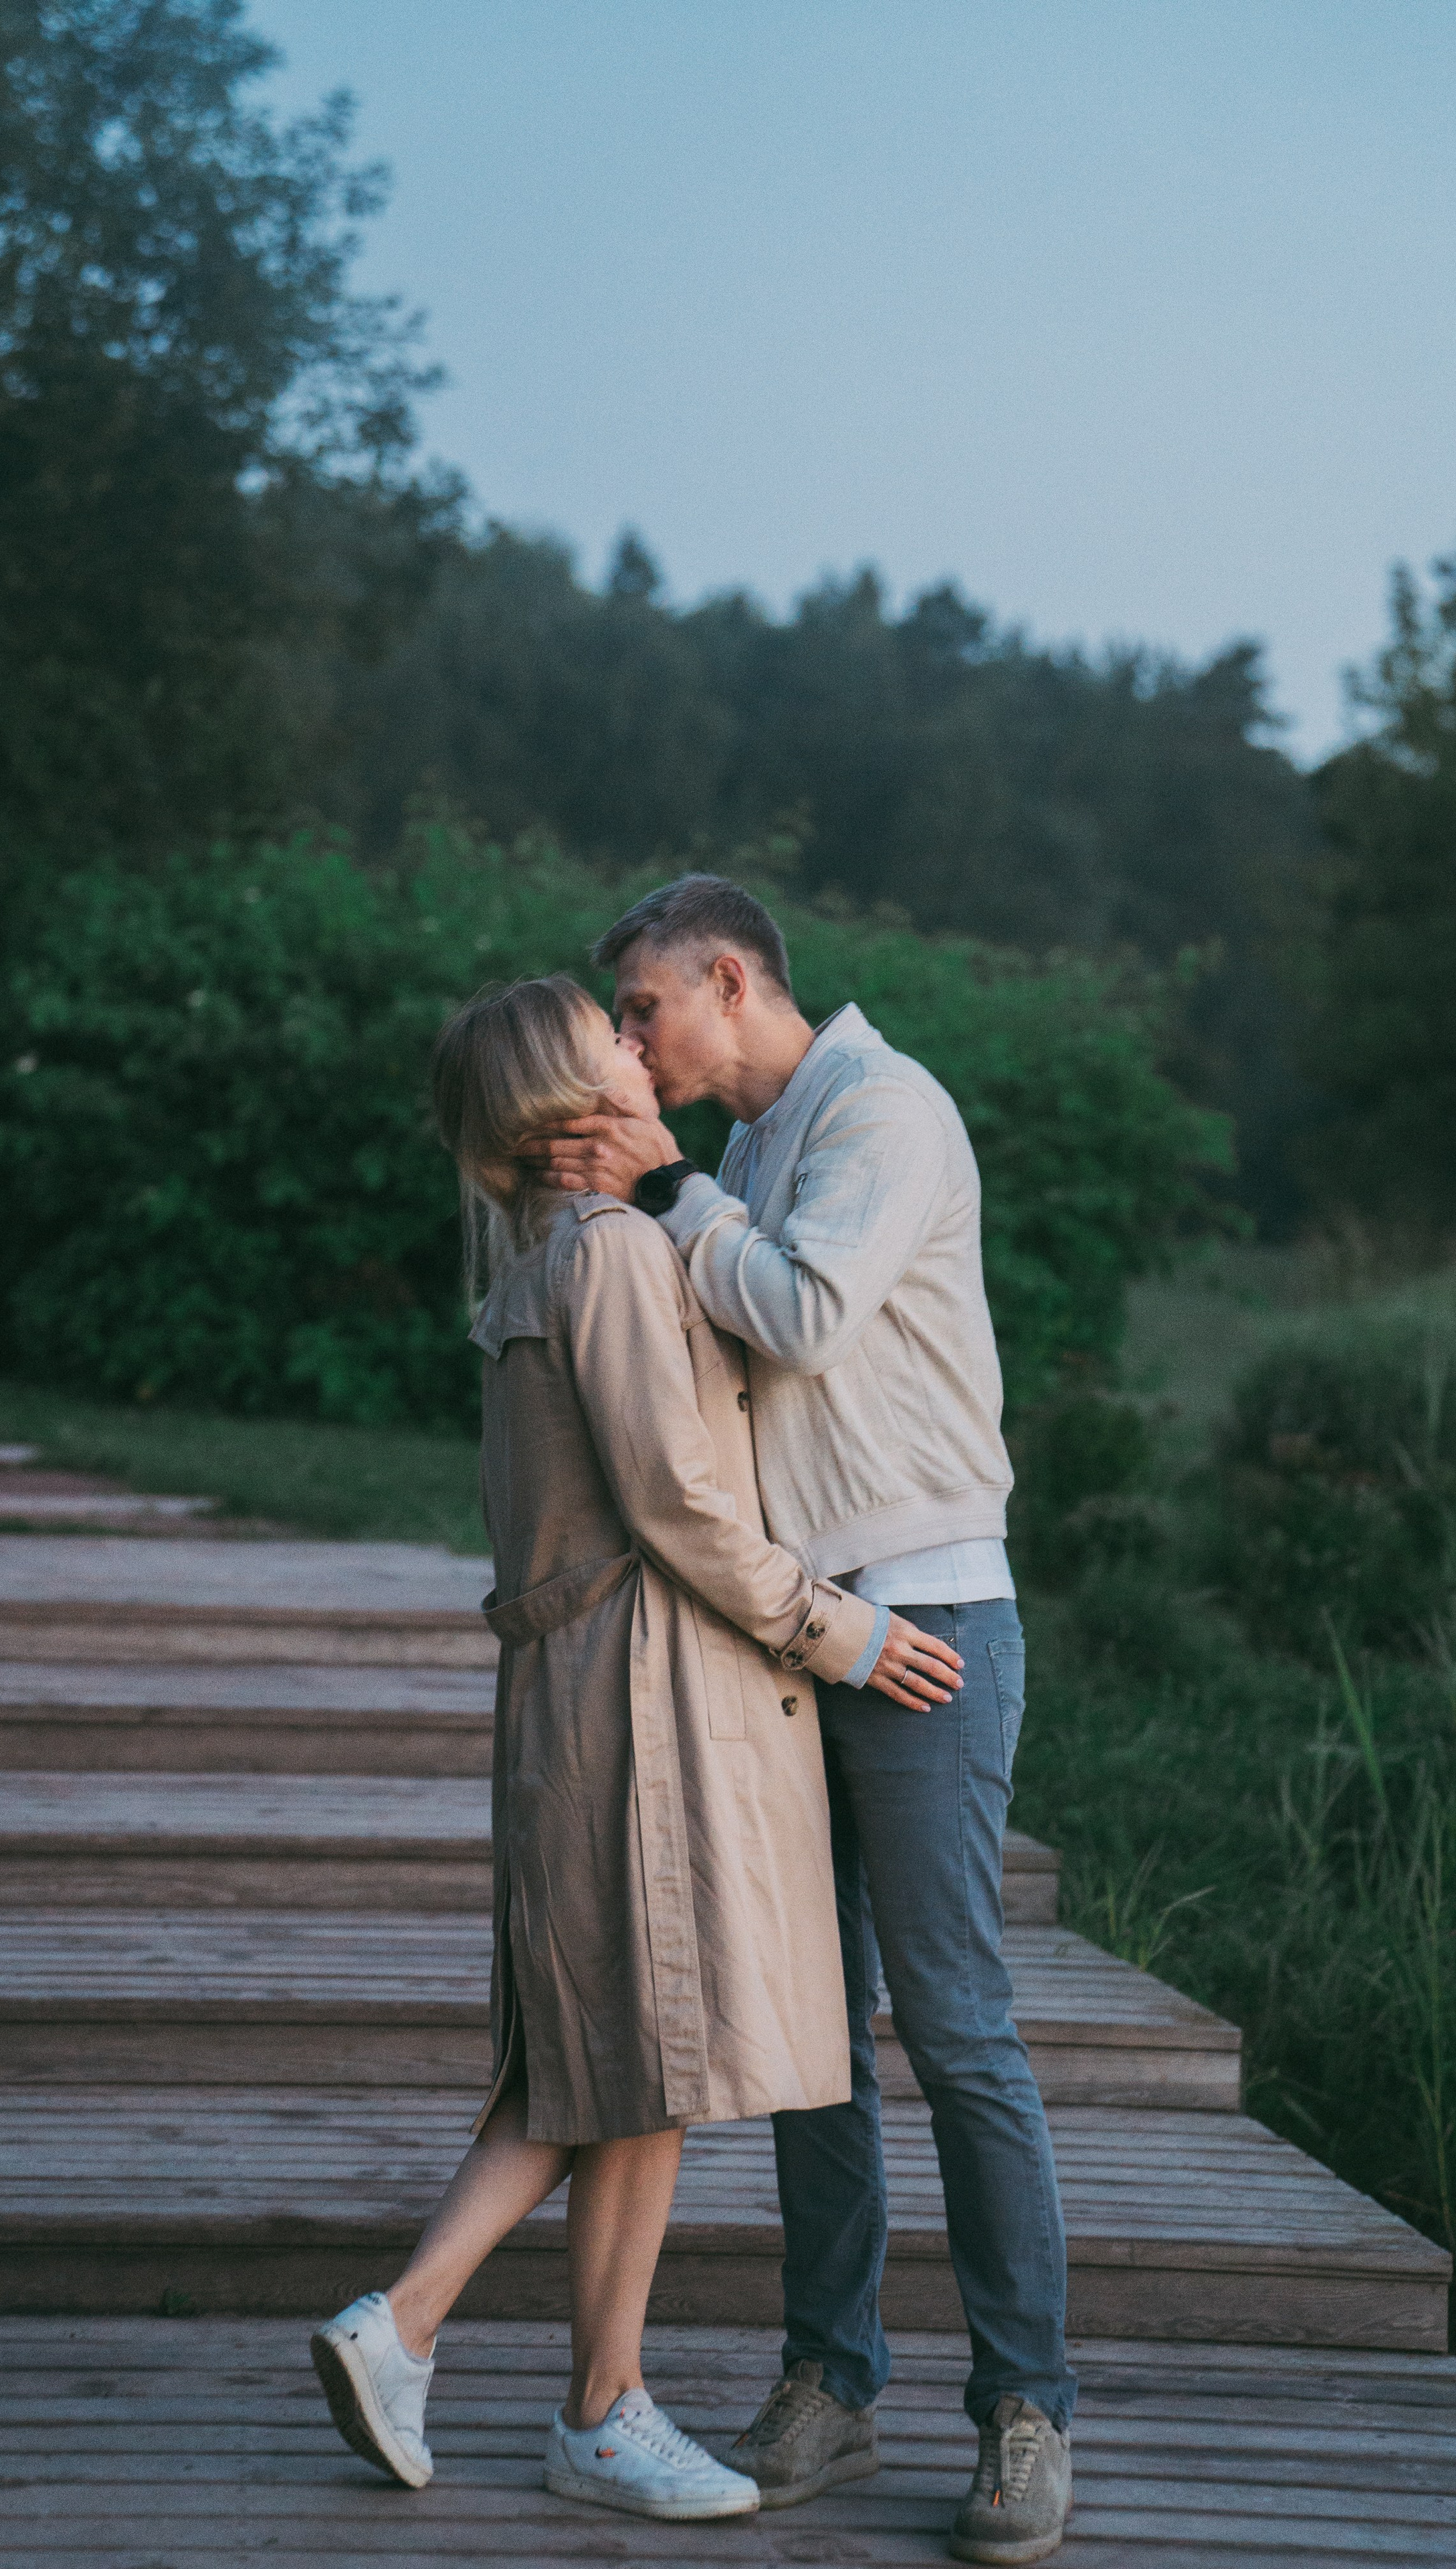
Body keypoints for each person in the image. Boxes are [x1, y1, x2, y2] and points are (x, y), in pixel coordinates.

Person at [308, 973, 964, 2526]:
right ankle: (526, 2378)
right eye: (612, 1029)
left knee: (604, 2052)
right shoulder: (607, 1254)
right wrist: (842, 1631)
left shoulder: (564, 1250)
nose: (637, 1037)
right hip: (639, 1690)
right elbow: (678, 1503)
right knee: (641, 2048)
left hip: (591, 1685)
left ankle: (470, 2359)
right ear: (568, 1088)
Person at [528, 877, 1076, 2566]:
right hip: (789, 1635)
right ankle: (830, 2383)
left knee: (955, 2019)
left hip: (920, 1620)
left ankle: (1022, 2411)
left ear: (730, 975)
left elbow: (805, 1312)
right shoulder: (748, 1150)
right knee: (812, 2036)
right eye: (616, 1021)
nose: (630, 1038)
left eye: (643, 1009)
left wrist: (666, 1182)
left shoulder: (882, 1111)